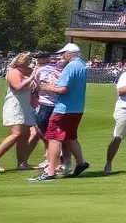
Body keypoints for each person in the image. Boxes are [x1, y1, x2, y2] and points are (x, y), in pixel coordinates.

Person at [30, 43, 89, 183]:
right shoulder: (82, 65)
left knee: (53, 137)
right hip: (77, 107)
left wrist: (46, 87)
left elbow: (63, 89)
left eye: (64, 53)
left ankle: (50, 170)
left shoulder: (70, 67)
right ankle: (81, 162)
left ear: (71, 53)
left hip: (64, 108)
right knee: (70, 136)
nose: (63, 55)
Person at [0, 52, 39, 173]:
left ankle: (22, 163)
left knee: (25, 136)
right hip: (14, 106)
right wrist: (31, 78)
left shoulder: (25, 72)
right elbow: (18, 87)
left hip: (25, 107)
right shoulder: (13, 72)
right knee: (16, 133)